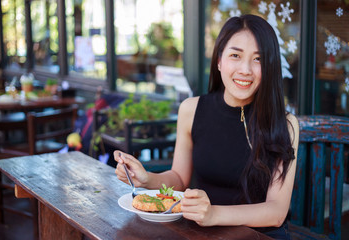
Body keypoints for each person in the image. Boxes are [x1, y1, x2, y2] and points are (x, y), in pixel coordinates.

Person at [114, 14, 299, 240]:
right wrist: (146, 179)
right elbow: (179, 179)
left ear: (269, 66)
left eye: (258, 59)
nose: (245, 69)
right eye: (235, 55)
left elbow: (276, 212)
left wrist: (214, 214)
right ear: (219, 60)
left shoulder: (286, 124)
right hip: (203, 233)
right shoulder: (191, 110)